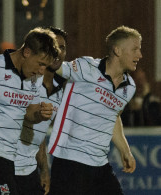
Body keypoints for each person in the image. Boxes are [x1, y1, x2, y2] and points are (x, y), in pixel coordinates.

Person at [48, 25, 142, 194]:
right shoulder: (86, 67)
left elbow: (113, 116)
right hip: (70, 162)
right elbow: (54, 67)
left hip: (100, 165)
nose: (139, 55)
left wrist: (125, 150)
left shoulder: (129, 87)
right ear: (118, 50)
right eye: (135, 49)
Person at [0, 27, 60, 194]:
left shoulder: (35, 79)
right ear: (26, 52)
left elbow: (28, 113)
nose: (41, 71)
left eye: (45, 66)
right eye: (40, 63)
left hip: (9, 158)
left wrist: (39, 114)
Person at [14, 27, 68, 195]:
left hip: (30, 170)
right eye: (54, 47)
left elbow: (40, 131)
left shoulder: (61, 87)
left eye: (63, 48)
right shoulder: (25, 80)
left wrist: (44, 169)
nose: (58, 53)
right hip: (9, 166)